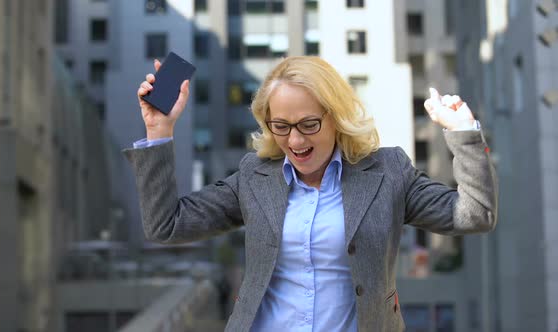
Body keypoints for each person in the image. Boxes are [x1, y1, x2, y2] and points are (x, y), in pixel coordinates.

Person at [123, 56, 498, 332]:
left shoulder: (387, 172)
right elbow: (166, 226)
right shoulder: (256, 175)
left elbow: (475, 214)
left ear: (336, 117)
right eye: (281, 126)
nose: (295, 140)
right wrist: (159, 131)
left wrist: (464, 134)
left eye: (309, 124)